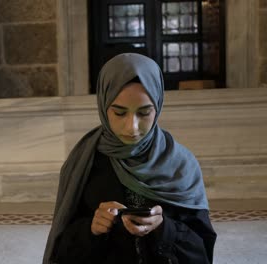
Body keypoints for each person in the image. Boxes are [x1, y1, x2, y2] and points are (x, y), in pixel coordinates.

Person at [43, 53, 216, 264]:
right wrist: (93, 228)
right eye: (119, 113)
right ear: (104, 105)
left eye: (144, 113)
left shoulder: (180, 164)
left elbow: (201, 253)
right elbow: (62, 251)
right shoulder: (84, 161)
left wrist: (164, 228)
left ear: (158, 106)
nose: (131, 128)